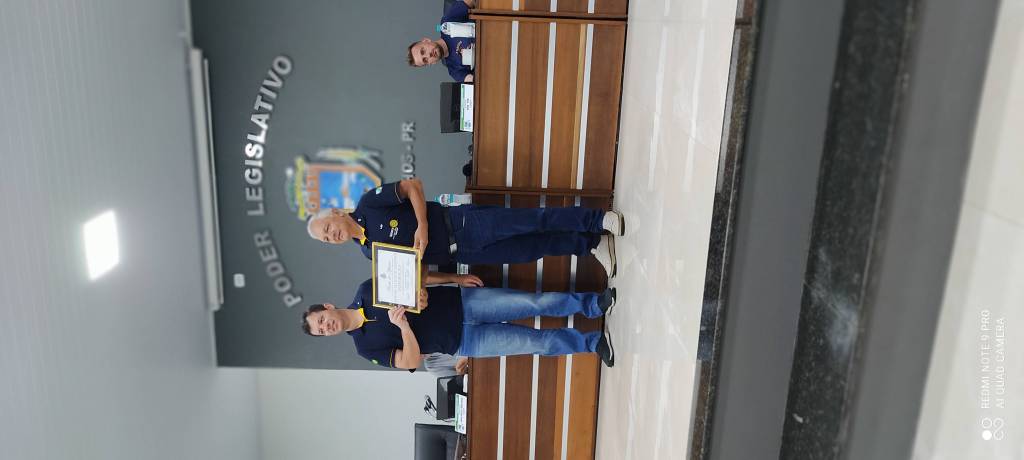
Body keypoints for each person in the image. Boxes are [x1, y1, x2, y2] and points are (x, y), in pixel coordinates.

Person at [306, 179, 625, 277]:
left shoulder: (368, 204)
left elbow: (412, 185)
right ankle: (590, 244)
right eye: (326, 239)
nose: (332, 235)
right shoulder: (369, 253)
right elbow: (418, 271)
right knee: (532, 249)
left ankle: (597, 220)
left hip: (461, 223)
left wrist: (422, 226)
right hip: (465, 253)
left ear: (335, 212)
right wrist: (447, 281)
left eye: (328, 228)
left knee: (534, 220)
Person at [300, 278, 617, 368]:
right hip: (463, 343)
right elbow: (409, 361)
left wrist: (444, 281)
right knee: (537, 344)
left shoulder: (365, 289)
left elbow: (415, 277)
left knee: (536, 303)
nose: (326, 327)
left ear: (327, 307)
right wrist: (404, 327)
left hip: (462, 302)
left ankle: (593, 304)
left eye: (322, 320)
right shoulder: (364, 348)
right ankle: (592, 343)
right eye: (321, 331)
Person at [407, 0, 476, 82]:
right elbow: (475, 80)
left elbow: (470, 1)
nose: (428, 55)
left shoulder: (447, 21)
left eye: (423, 51)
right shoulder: (454, 71)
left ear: (426, 40)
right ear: (431, 63)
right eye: (425, 60)